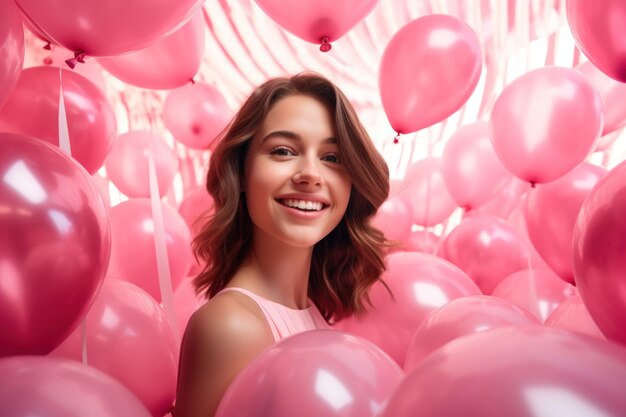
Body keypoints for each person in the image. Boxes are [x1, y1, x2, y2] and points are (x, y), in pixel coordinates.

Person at [173, 73, 390, 417]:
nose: (310, 174)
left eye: (332, 158)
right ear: (241, 172)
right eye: (283, 151)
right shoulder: (229, 328)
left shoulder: (314, 314)